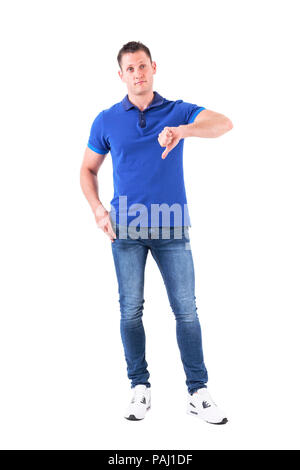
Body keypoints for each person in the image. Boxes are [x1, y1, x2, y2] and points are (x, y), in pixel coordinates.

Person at [80, 41, 233, 425]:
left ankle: (197, 391)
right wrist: (98, 209)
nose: (138, 73)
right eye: (130, 69)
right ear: (121, 75)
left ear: (153, 68)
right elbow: (87, 170)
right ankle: (139, 387)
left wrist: (182, 130)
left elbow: (224, 123)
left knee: (186, 311)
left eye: (143, 66)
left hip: (172, 229)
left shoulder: (177, 110)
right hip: (125, 231)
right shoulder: (106, 119)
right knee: (130, 311)